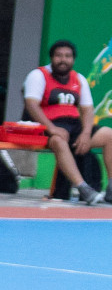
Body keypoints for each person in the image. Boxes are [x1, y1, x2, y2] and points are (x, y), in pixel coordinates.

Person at [23, 39, 111, 204]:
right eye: (59, 56)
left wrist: (85, 133)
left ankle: (111, 189)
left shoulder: (79, 79)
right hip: (46, 127)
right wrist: (52, 128)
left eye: (67, 56)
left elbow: (87, 109)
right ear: (51, 58)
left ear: (73, 60)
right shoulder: (38, 75)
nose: (63, 60)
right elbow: (31, 105)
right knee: (59, 140)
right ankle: (84, 189)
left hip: (74, 126)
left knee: (109, 134)